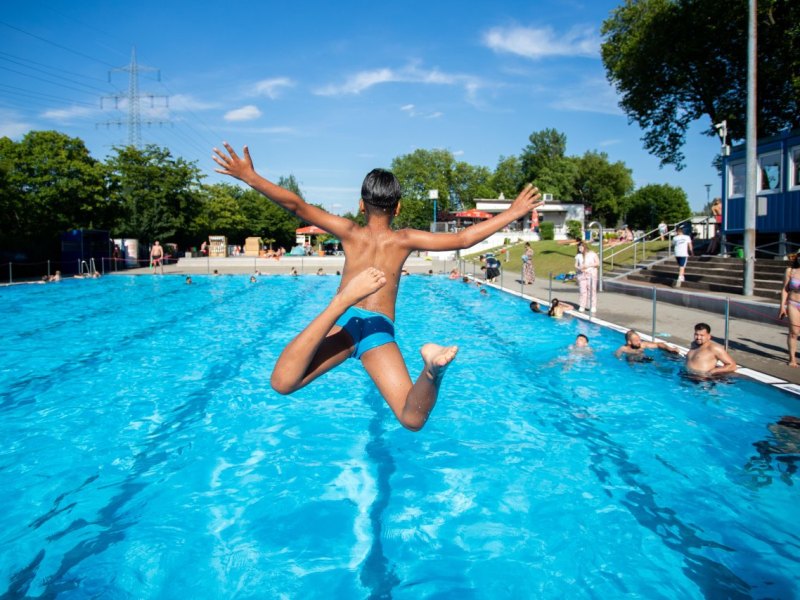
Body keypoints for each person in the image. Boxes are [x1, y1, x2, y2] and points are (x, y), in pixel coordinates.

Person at [213, 142, 542, 431]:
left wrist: (250, 177)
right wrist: (512, 212)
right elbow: (463, 238)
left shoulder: (349, 231)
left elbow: (297, 206)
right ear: (397, 207)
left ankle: (341, 303)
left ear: (361, 204)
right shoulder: (405, 239)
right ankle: (431, 370)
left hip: (344, 322)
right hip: (377, 331)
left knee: (283, 383)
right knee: (411, 419)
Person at [778, 253, 800, 367]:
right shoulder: (790, 271)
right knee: (794, 332)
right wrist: (782, 306)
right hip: (793, 303)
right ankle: (792, 358)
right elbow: (785, 289)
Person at [615, 329, 679, 361]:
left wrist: (669, 348)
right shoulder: (623, 348)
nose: (639, 342)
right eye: (636, 340)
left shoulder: (642, 345)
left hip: (644, 359)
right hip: (632, 361)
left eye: (639, 339)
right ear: (629, 342)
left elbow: (658, 345)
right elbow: (617, 356)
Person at [575, 242, 599, 313]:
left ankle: (593, 306)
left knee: (591, 289)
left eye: (581, 247)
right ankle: (582, 305)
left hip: (591, 273)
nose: (580, 249)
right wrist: (579, 268)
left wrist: (588, 266)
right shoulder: (578, 256)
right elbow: (576, 265)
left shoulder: (592, 254)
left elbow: (597, 263)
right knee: (583, 290)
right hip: (582, 274)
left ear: (584, 247)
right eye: (579, 248)